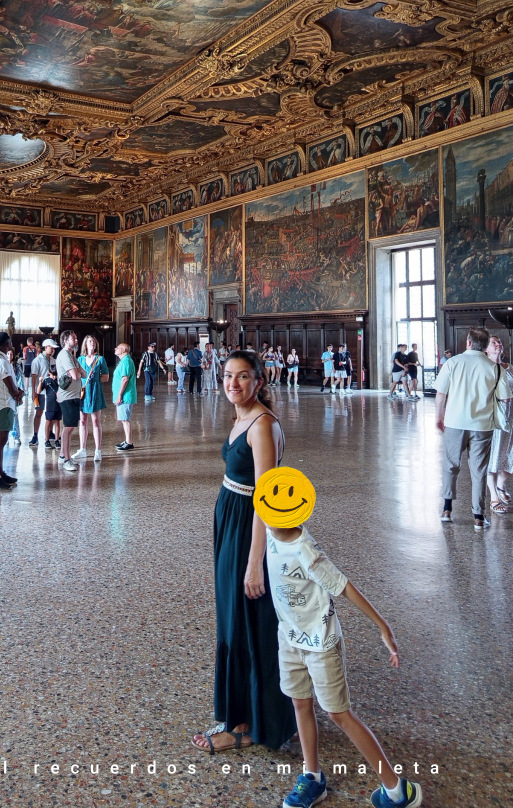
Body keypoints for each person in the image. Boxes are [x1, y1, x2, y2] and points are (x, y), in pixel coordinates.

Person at [257, 470, 423, 808]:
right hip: (289, 638)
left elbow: (344, 586)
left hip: (320, 643)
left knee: (338, 714)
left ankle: (396, 788)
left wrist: (383, 626)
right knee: (300, 704)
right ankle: (313, 777)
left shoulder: (306, 550)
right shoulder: (268, 529)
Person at [191, 351, 295, 755]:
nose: (232, 384)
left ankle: (250, 724)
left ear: (260, 380)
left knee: (249, 624)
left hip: (250, 530)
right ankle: (237, 712)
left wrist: (255, 564)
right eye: (227, 376)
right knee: (233, 620)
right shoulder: (242, 417)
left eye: (242, 376)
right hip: (231, 523)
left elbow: (266, 501)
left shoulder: (262, 426)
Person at [435, 327, 511, 529]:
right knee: (479, 470)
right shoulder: (496, 369)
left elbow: (441, 395)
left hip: (455, 422)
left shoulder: (452, 363)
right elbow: (505, 398)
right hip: (482, 425)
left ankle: (447, 509)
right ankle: (478, 516)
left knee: (451, 465)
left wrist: (439, 417)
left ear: (468, 342)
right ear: (485, 346)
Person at [0, 331, 23, 489]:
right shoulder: (0, 361)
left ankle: (0, 472)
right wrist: (18, 393)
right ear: (4, 344)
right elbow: (9, 384)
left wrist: (17, 392)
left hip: (2, 402)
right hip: (3, 404)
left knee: (1, 440)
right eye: (9, 342)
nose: (11, 344)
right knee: (0, 442)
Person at [485, 334, 513, 515]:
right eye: (493, 343)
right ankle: (494, 497)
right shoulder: (484, 368)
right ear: (485, 349)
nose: (498, 345)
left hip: (511, 418)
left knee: (510, 455)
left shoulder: (509, 367)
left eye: (499, 342)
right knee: (493, 457)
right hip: (493, 419)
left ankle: (501, 485)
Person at [74, 334, 109, 461]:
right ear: (85, 344)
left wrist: (95, 379)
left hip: (94, 391)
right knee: (82, 421)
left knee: (96, 421)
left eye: (93, 342)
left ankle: (98, 450)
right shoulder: (80, 359)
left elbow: (106, 377)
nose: (92, 343)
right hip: (82, 391)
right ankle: (82, 449)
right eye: (90, 341)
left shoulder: (100, 359)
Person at [55, 330, 86, 470]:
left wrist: (78, 371)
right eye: (73, 338)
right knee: (68, 428)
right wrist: (77, 371)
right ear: (66, 340)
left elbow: (83, 373)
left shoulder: (72, 356)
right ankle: (67, 460)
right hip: (68, 397)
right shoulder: (65, 355)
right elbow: (76, 375)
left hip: (73, 396)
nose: (76, 339)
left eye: (76, 337)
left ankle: (62, 455)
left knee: (69, 427)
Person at [29, 338, 58, 447]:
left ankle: (50, 433)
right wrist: (33, 392)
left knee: (51, 412)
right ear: (46, 347)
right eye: (52, 348)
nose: (53, 350)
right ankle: (35, 435)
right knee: (39, 413)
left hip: (51, 391)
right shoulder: (37, 360)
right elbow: (34, 377)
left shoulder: (53, 360)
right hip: (40, 391)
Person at [113, 342, 137, 451]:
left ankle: (129, 442)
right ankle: (127, 440)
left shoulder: (126, 361)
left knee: (125, 419)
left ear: (123, 350)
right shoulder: (123, 361)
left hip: (125, 395)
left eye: (117, 348)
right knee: (123, 419)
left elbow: (125, 379)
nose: (115, 349)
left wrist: (119, 395)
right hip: (124, 395)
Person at [38, 364, 62, 449]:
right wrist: (40, 382)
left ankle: (56, 440)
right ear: (49, 373)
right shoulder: (47, 381)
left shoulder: (60, 380)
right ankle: (47, 440)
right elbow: (38, 391)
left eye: (56, 375)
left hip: (58, 404)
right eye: (53, 375)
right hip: (50, 405)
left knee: (57, 422)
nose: (54, 377)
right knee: (48, 422)